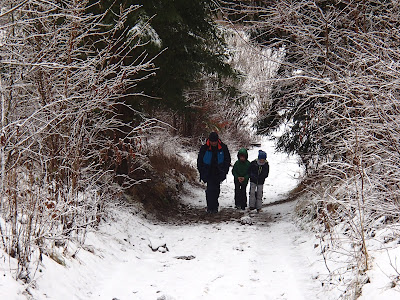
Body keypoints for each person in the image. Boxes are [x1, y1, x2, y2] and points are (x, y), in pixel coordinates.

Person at [197, 132, 231, 213]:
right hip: (208, 172)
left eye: (215, 141)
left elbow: (227, 160)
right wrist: (201, 171)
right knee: (209, 190)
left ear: (217, 140)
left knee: (216, 190)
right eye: (212, 141)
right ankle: (210, 207)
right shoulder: (204, 148)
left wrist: (225, 171)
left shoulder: (223, 147)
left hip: (219, 172)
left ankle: (215, 206)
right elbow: (199, 161)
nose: (213, 143)